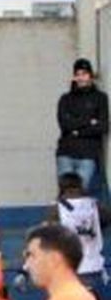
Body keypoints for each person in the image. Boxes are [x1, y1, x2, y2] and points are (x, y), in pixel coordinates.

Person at [56, 58, 108, 199]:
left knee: (79, 195)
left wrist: (76, 130)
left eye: (84, 74)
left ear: (90, 76)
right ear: (74, 77)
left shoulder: (100, 98)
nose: (81, 78)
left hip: (88, 155)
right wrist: (89, 121)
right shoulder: (65, 99)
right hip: (65, 153)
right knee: (65, 196)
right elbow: (65, 125)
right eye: (78, 74)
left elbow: (102, 127)